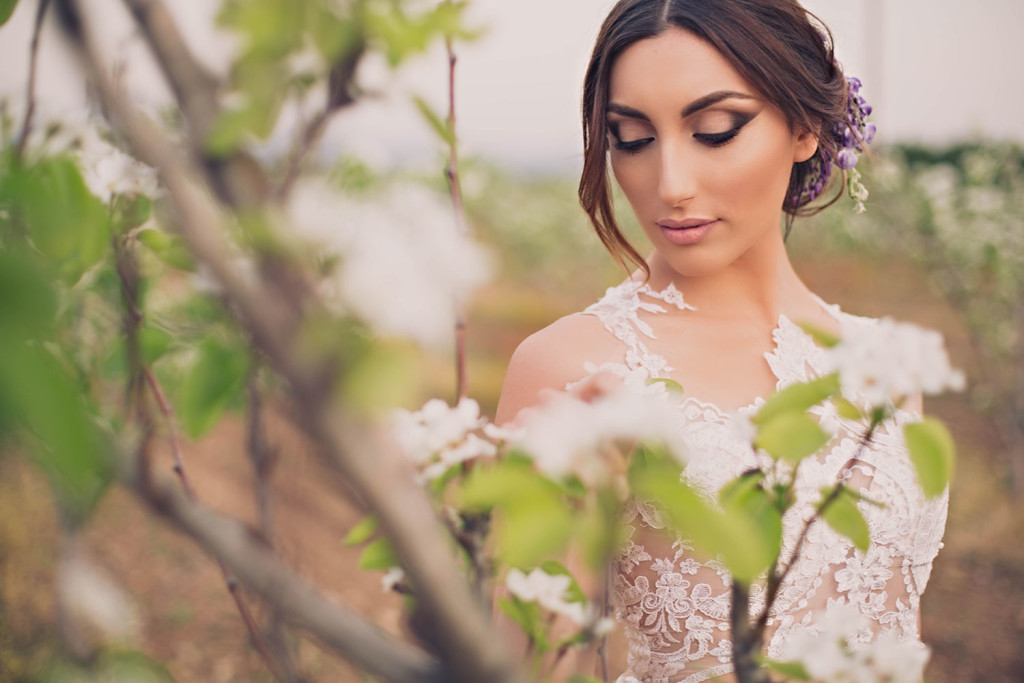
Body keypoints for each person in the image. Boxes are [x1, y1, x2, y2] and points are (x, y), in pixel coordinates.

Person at [495, 1, 948, 681]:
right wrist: (569, 511)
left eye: (714, 130)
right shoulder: (570, 368)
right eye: (633, 138)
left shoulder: (885, 366)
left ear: (804, 128)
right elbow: (517, 667)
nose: (671, 186)